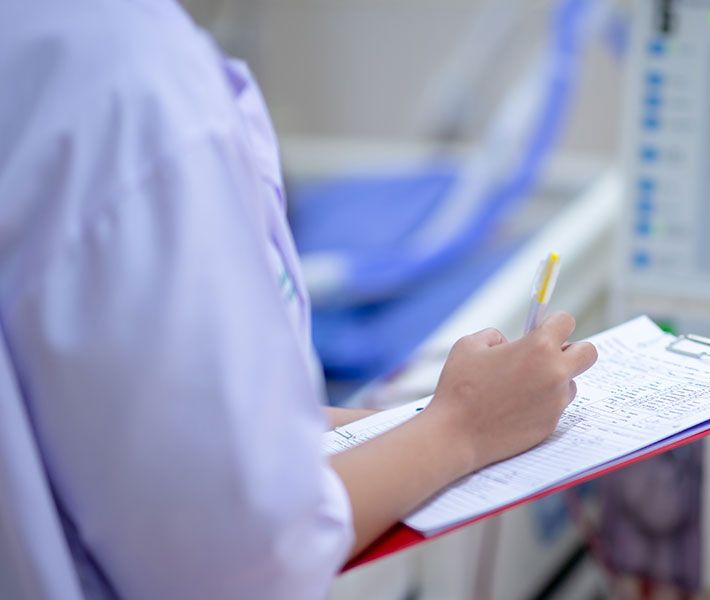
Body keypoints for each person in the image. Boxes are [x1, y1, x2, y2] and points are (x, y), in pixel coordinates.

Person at [0, 1, 598, 598]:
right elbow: (242, 560)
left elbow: (142, 423)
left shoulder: (56, 50)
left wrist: (425, 418)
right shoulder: (128, 85)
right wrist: (460, 428)